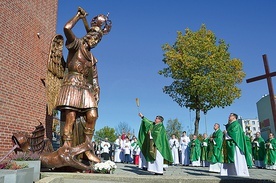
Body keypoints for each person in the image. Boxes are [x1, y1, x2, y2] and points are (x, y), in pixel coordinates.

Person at [55, 7, 111, 164]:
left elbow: (94, 78)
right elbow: (66, 28)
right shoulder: (76, 44)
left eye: (98, 41)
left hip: (85, 88)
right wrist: (78, 17)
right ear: (88, 36)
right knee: (70, 117)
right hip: (72, 84)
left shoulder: (93, 59)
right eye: (94, 38)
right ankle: (66, 148)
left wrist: (98, 90)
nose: (95, 42)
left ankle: (86, 148)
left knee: (93, 115)